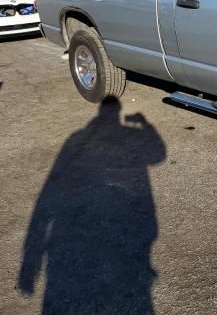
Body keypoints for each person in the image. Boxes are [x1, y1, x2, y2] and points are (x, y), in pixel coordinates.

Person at [18, 97, 165, 314]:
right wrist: (145, 125)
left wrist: (30, 265)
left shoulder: (76, 139)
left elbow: (48, 191)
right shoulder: (110, 136)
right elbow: (158, 155)